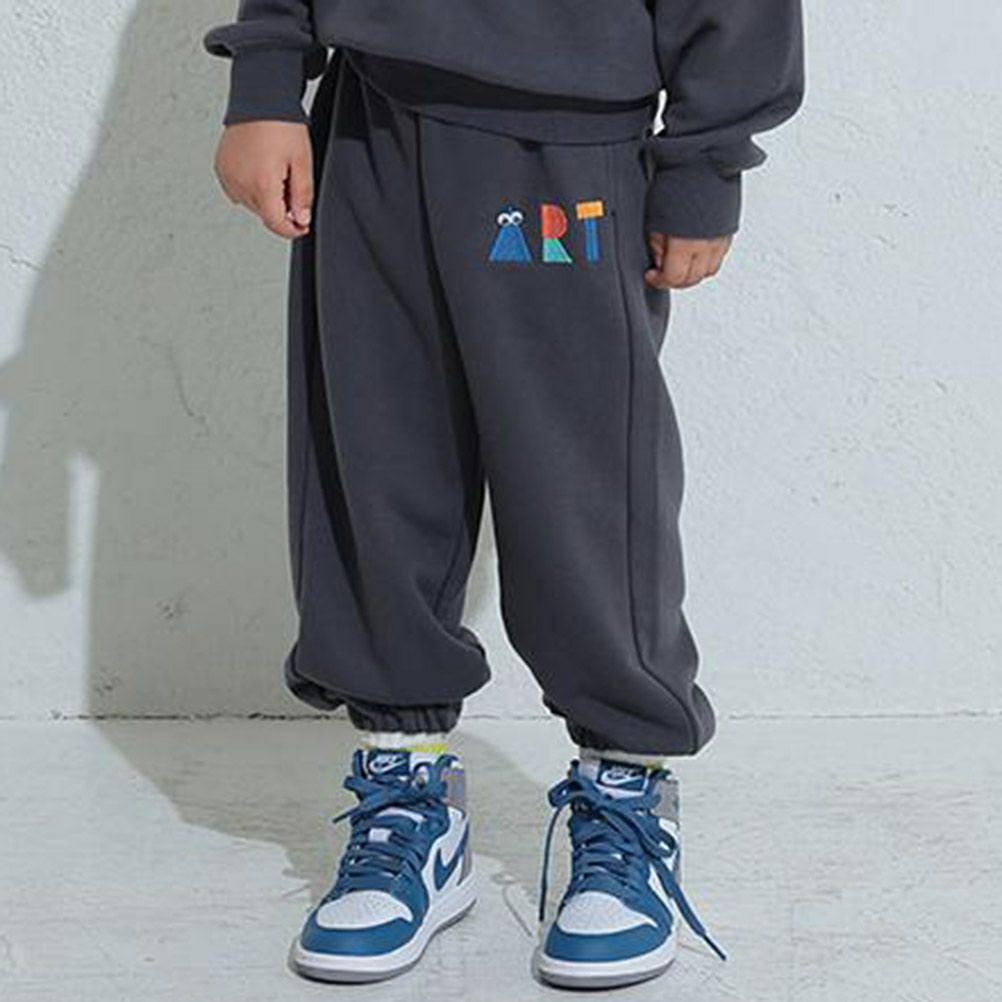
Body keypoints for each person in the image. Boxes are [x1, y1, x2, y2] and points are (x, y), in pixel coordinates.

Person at [204, 0, 804, 988]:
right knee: (376, 455)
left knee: (580, 481)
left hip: (565, 149)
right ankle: (408, 790)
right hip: (371, 127)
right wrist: (266, 78)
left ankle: (625, 780)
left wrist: (706, 159)